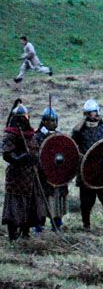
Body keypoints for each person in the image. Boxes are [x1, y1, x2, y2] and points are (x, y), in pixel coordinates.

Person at [3, 103, 47, 240]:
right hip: (16, 177)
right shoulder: (10, 134)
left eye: (25, 117)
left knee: (30, 206)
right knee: (15, 206)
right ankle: (12, 235)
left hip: (31, 176)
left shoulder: (31, 134)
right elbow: (7, 154)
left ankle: (25, 232)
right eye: (21, 118)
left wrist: (35, 161)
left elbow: (36, 152)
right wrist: (20, 158)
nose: (23, 120)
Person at [72, 99, 103, 230]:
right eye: (91, 112)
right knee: (86, 200)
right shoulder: (79, 131)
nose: (94, 115)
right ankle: (86, 225)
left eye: (94, 112)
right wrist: (82, 158)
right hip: (87, 170)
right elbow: (73, 147)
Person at [34, 106, 68, 232]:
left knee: (57, 200)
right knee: (42, 201)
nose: (54, 123)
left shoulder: (59, 136)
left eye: (55, 120)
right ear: (44, 121)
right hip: (43, 175)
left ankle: (57, 225)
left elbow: (66, 153)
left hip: (58, 174)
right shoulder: (37, 136)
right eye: (51, 120)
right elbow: (36, 155)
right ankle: (39, 226)